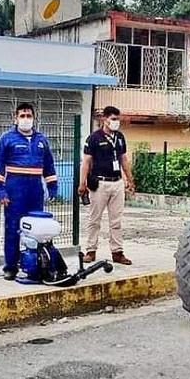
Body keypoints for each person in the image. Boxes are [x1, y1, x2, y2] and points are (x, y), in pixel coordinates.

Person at [0, 103, 58, 280]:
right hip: (15, 189)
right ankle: (11, 267)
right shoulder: (7, 139)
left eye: (29, 115)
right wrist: (0, 191)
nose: (26, 119)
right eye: (22, 115)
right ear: (16, 118)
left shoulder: (42, 140)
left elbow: (49, 166)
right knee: (12, 229)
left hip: (35, 190)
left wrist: (52, 186)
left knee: (36, 229)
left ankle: (35, 264)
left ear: (34, 118)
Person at [79, 105, 134, 265]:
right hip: (100, 183)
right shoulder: (94, 138)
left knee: (116, 221)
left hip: (116, 183)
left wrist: (129, 179)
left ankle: (117, 252)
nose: (116, 122)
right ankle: (91, 251)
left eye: (118, 119)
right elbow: (86, 162)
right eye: (113, 119)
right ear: (105, 119)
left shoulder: (120, 137)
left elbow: (123, 159)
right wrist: (82, 183)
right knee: (94, 219)